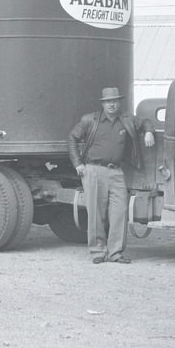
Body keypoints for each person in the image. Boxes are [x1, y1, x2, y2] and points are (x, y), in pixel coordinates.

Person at [68, 87, 153, 264]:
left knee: (120, 211)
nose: (112, 104)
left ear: (119, 102)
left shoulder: (127, 119)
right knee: (96, 213)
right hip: (93, 170)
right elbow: (72, 138)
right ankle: (97, 251)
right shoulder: (90, 120)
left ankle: (115, 253)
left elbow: (145, 121)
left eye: (114, 101)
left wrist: (149, 132)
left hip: (117, 172)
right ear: (103, 104)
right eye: (108, 101)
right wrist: (78, 163)